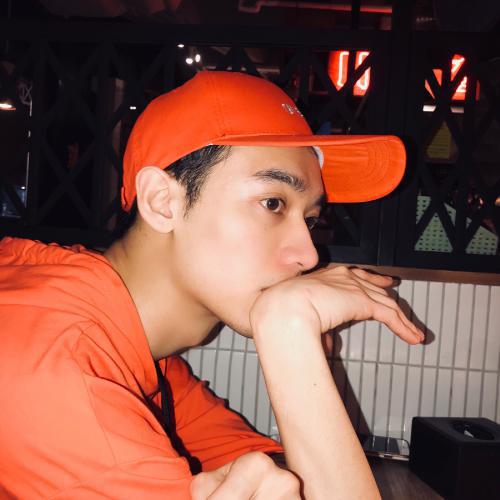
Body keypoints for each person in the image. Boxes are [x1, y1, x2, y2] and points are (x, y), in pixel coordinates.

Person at [0, 71, 424, 499]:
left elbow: (286, 478)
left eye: (310, 220)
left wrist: (295, 344)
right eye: (273, 203)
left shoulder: (143, 357)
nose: (309, 255)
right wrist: (288, 328)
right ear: (162, 201)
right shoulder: (57, 371)